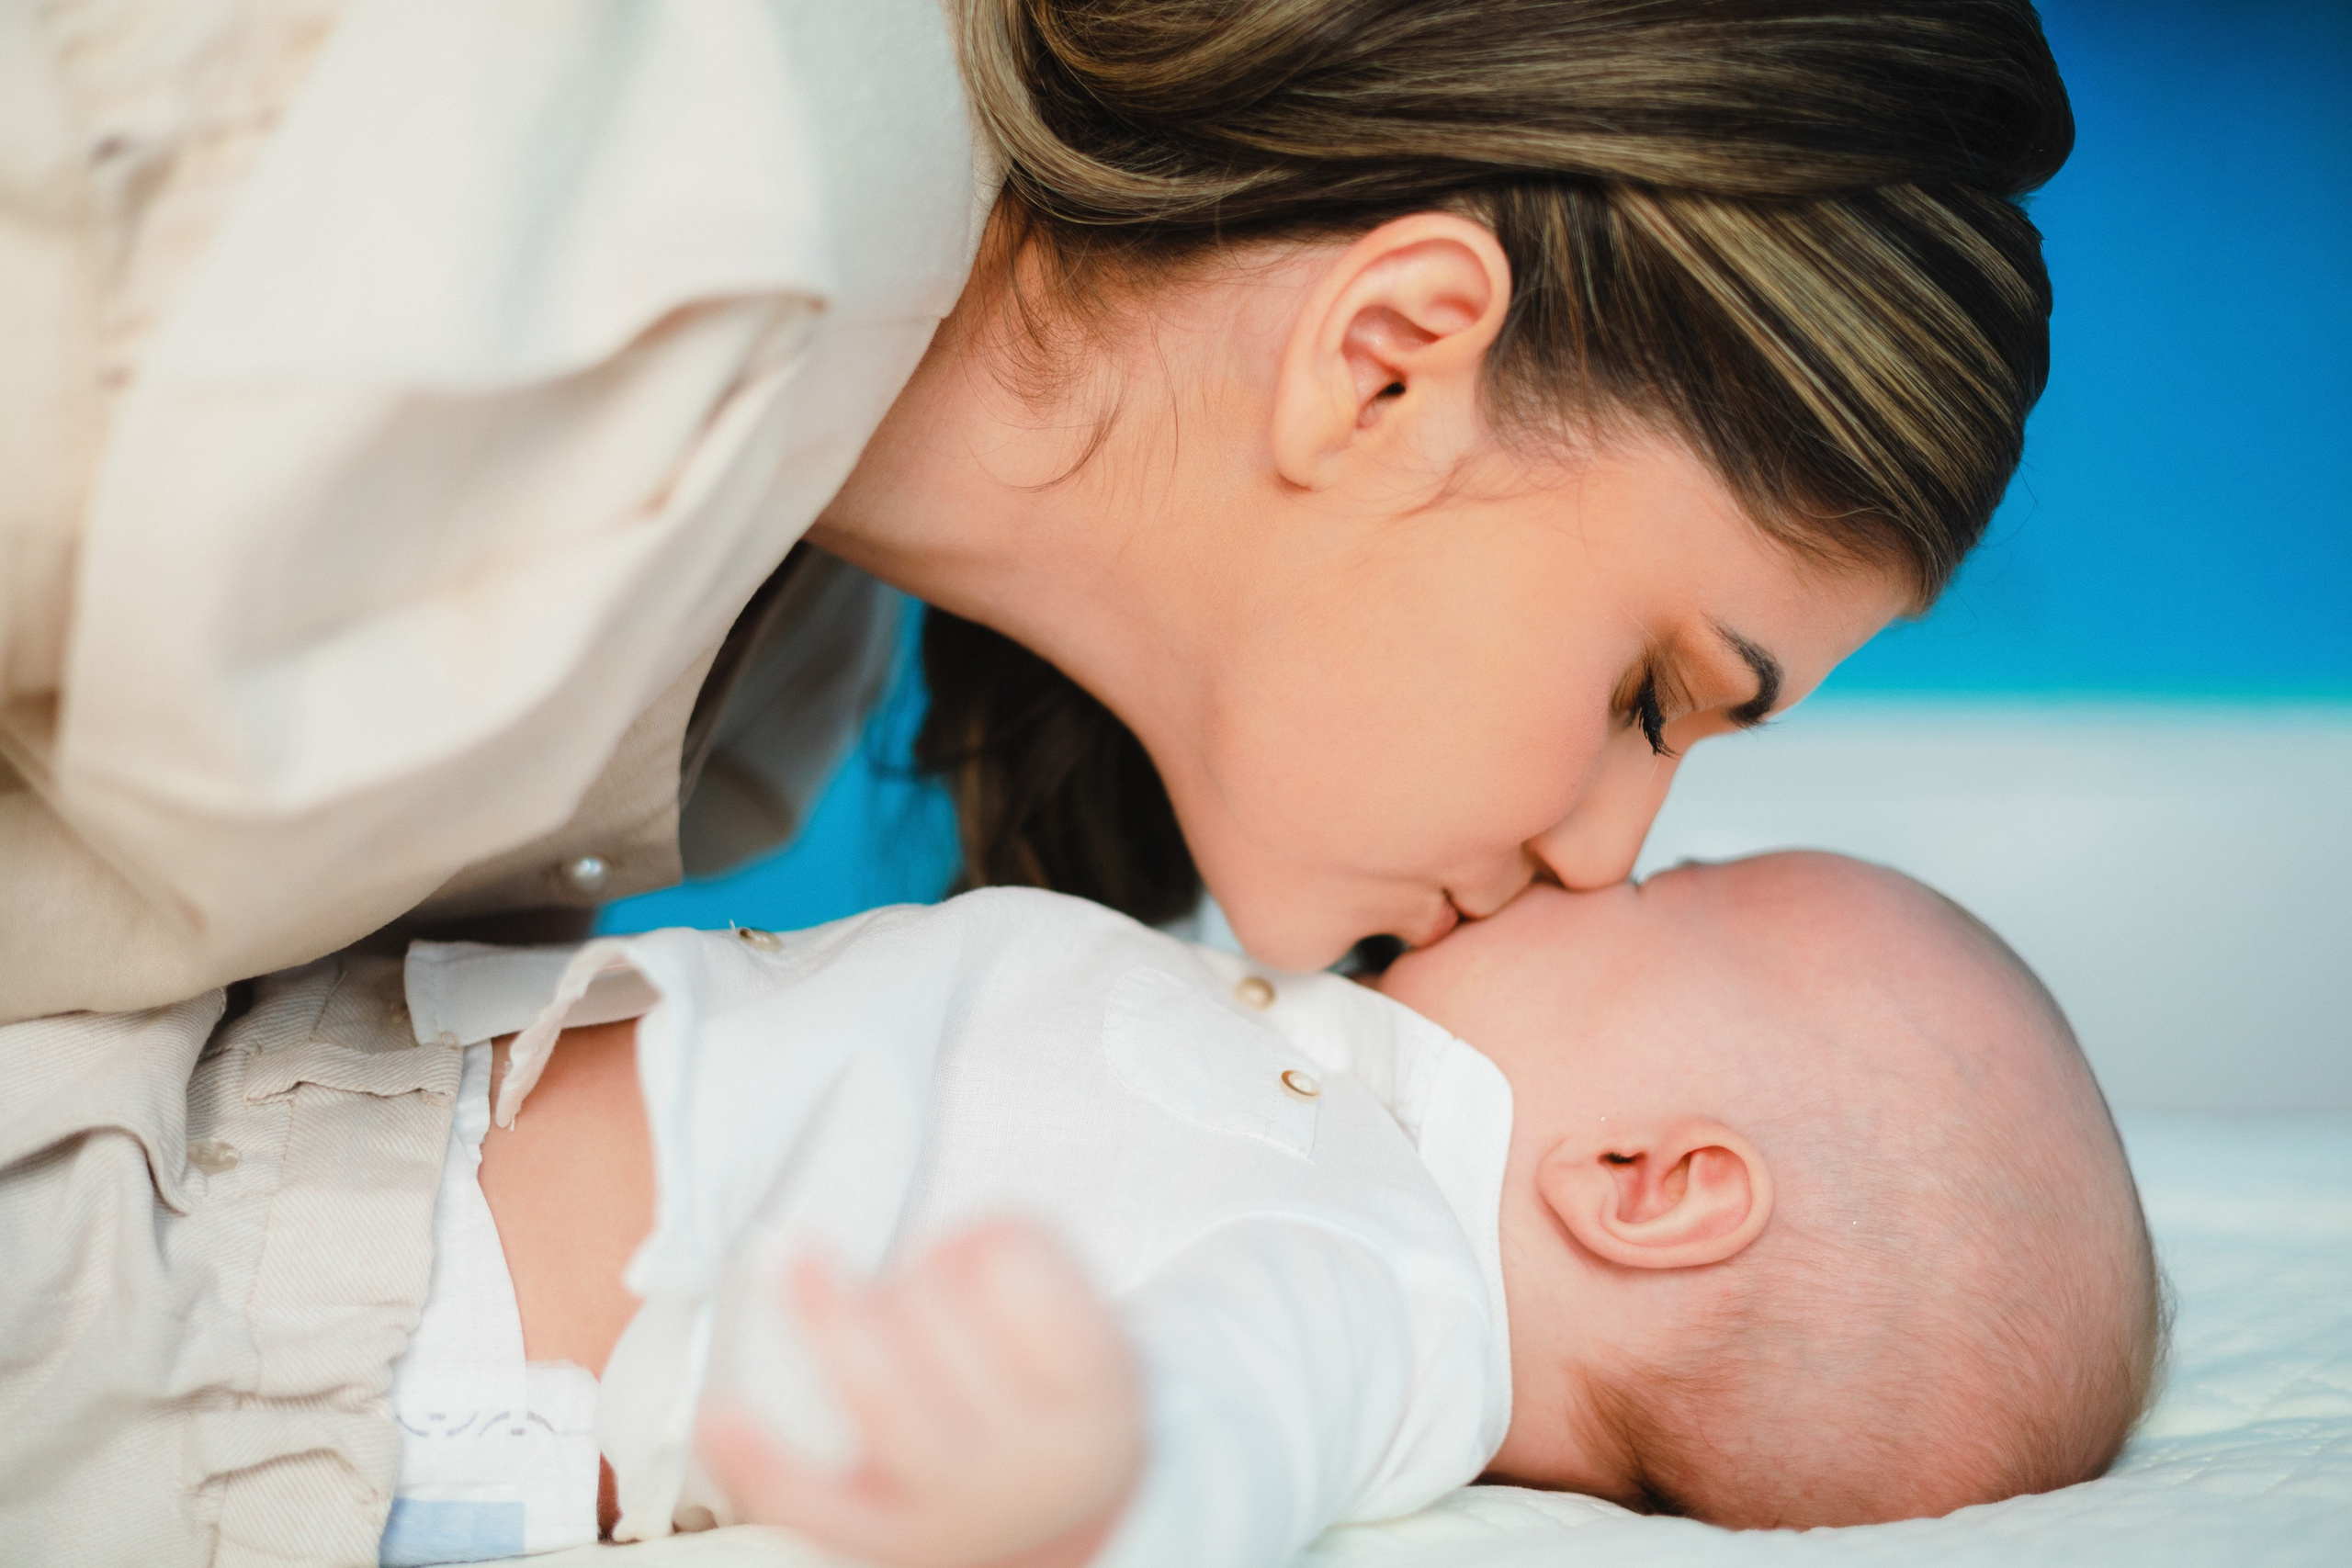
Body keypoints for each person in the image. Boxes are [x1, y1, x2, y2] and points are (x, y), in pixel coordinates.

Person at [0, 0, 2073, 1018]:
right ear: (1389, 358)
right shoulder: (498, 138)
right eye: (1654, 695)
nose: (1609, 858)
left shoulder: (768, 645)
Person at [0, 852, 2164, 1564]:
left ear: (1649, 1185)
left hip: (337, 1312)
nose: (1588, 862)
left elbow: (1217, 1426)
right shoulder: (1331, 1098)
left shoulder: (1374, 1269)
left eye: (1670, 892)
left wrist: (1074, 1477)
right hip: (331, 1106)